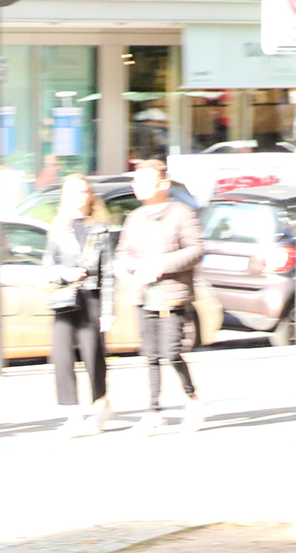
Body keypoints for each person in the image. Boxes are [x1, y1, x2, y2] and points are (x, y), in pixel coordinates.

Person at [115, 162, 204, 434]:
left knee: (172, 352)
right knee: (151, 356)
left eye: (143, 181)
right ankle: (153, 411)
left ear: (163, 185)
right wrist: (135, 268)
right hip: (145, 296)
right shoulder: (136, 217)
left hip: (171, 296)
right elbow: (123, 253)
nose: (136, 187)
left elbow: (197, 249)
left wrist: (162, 265)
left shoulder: (181, 213)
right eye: (135, 182)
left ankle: (193, 401)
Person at [44, 174, 113, 437]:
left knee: (93, 356)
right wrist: (63, 274)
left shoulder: (100, 230)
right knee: (61, 357)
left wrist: (107, 312)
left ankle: (102, 403)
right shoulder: (58, 228)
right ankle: (73, 414)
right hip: (65, 299)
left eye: (84, 191)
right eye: (73, 192)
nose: (80, 196)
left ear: (90, 195)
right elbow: (46, 269)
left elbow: (108, 274)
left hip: (91, 298)